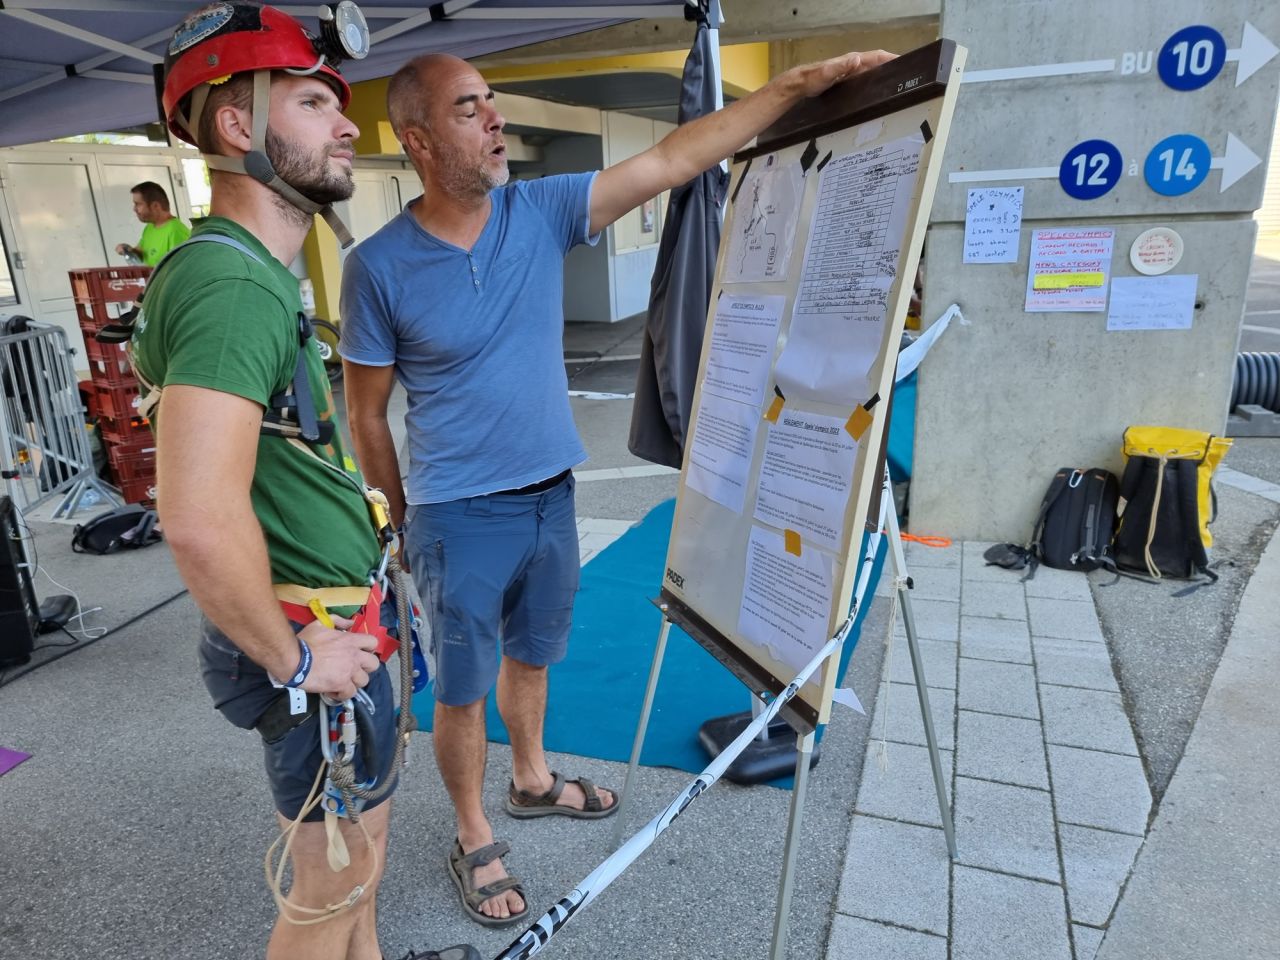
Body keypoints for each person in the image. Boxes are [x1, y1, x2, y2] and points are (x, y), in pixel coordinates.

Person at [339, 48, 895, 927]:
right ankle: (474, 830)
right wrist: (396, 524)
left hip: (550, 496)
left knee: (534, 656)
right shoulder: (378, 266)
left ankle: (529, 780)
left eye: (492, 101)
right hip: (455, 513)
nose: (496, 121)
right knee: (460, 689)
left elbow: (673, 159)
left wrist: (792, 89)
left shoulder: (539, 210)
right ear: (417, 140)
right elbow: (366, 413)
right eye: (468, 109)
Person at [129, 5, 477, 960]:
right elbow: (197, 517)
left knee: (358, 868)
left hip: (336, 626)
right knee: (327, 890)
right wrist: (292, 662)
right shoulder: (235, 286)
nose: (346, 125)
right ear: (238, 125)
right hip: (311, 641)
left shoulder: (247, 272)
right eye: (314, 103)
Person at [115, 181, 190, 266]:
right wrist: (127, 250)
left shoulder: (176, 231)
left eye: (138, 204)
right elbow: (141, 254)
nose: (134, 209)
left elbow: (181, 267)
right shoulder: (150, 227)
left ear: (155, 206)